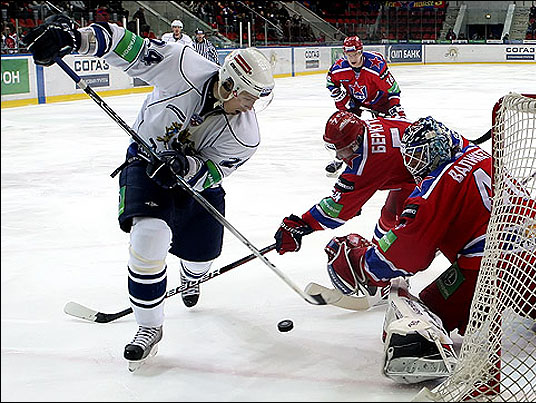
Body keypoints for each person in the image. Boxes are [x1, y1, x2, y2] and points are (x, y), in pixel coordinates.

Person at [24, 14, 275, 371]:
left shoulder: (246, 135)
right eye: (250, 97)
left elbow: (216, 171)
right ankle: (149, 328)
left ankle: (191, 276)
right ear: (231, 85)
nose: (252, 107)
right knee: (149, 236)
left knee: (202, 259)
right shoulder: (182, 64)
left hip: (194, 185)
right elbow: (124, 45)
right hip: (144, 162)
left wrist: (186, 167)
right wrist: (73, 38)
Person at [321, 116, 536, 384]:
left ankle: (422, 348)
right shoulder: (484, 157)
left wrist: (367, 263)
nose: (416, 164)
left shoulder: (435, 184)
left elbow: (408, 254)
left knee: (424, 304)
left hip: (489, 270)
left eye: (419, 156)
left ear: (436, 150)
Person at [274, 111, 416, 303]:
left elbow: (338, 208)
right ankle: (381, 268)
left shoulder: (368, 160)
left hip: (429, 179)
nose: (338, 155)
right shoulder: (367, 129)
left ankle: (385, 276)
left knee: (403, 228)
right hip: (413, 174)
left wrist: (302, 225)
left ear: (357, 141)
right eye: (334, 148)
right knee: (389, 217)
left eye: (344, 149)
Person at [324, 36, 405, 176]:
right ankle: (339, 160)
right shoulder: (338, 68)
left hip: (380, 101)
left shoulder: (376, 65)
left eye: (355, 54)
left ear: (361, 52)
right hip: (355, 102)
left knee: (393, 131)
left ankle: (402, 158)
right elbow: (331, 82)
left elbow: (393, 89)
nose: (352, 58)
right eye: (349, 55)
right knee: (344, 131)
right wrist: (339, 96)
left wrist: (395, 108)